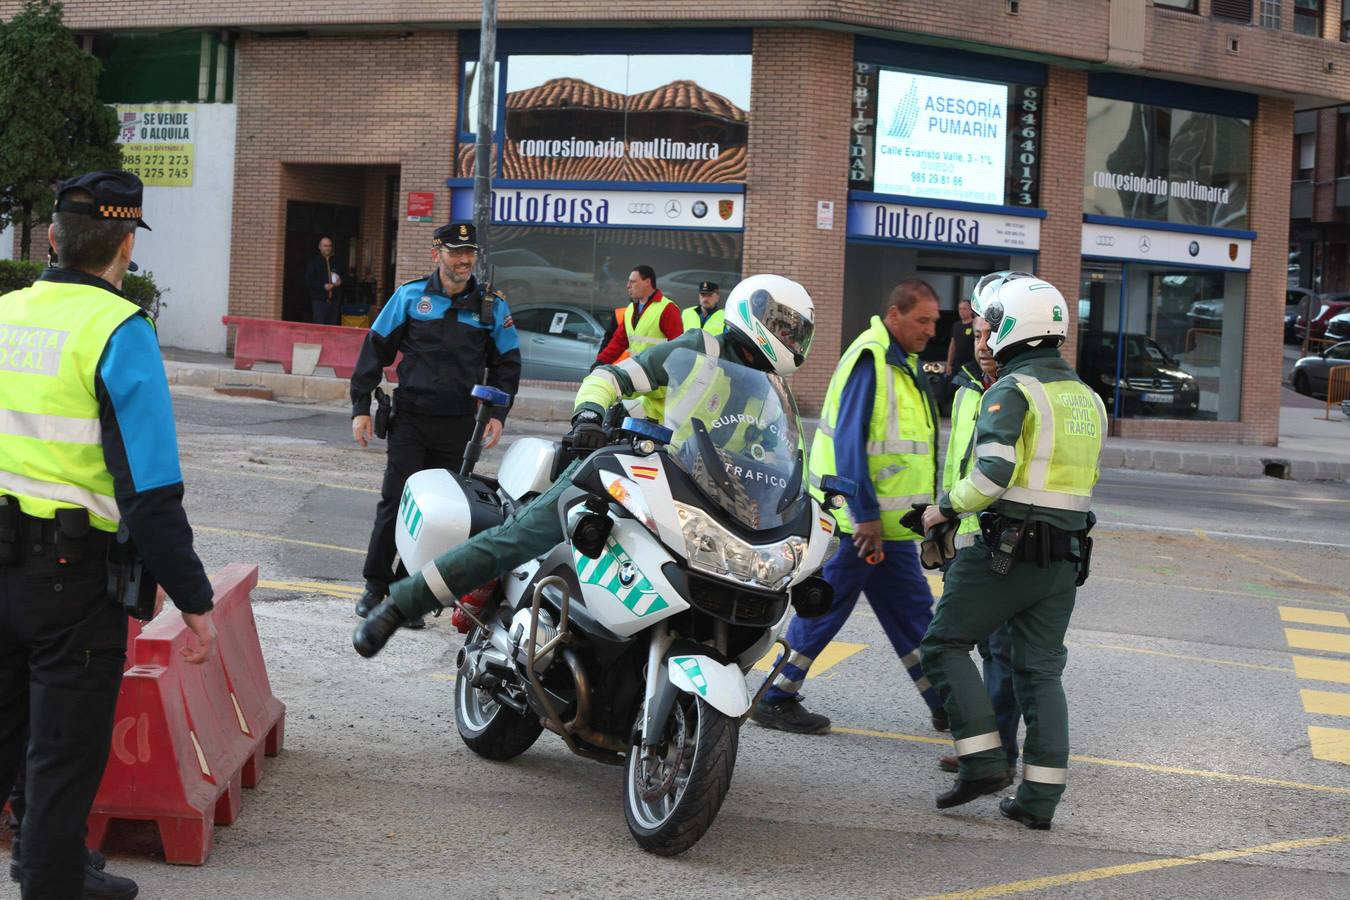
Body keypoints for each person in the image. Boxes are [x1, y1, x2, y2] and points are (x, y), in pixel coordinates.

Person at [352, 274, 816, 657]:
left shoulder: (771, 390)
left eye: (798, 331)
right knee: (517, 538)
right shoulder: (695, 349)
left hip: (700, 500)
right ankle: (397, 604)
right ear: (752, 311)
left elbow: (776, 456)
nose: (792, 338)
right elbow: (610, 376)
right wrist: (590, 415)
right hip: (639, 470)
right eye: (785, 326)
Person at [0, 170, 217, 899]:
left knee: (11, 740)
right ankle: (51, 881)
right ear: (126, 248)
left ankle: (45, 867)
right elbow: (150, 490)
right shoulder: (121, 331)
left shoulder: (4, 314)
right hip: (71, 580)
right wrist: (193, 599)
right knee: (62, 757)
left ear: (53, 238)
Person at [918, 272, 1106, 830]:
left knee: (944, 644)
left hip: (1005, 548)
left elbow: (991, 474)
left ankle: (982, 761)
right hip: (1065, 557)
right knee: (1040, 674)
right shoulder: (1087, 398)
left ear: (1013, 328)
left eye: (991, 324)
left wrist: (944, 507)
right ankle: (1038, 802)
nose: (985, 333)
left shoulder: (1012, 390)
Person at [751, 279, 945, 735]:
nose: (931, 330)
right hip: (861, 524)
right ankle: (774, 694)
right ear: (894, 315)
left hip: (888, 527)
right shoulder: (871, 360)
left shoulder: (903, 363)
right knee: (830, 607)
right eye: (923, 320)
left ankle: (944, 701)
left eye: (934, 321)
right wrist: (867, 516)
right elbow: (852, 443)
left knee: (912, 615)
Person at [349, 222, 521, 625]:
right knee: (397, 501)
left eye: (469, 253)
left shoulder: (491, 308)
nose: (463, 260)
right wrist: (360, 406)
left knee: (441, 514)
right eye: (455, 252)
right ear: (436, 253)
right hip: (410, 419)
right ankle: (375, 585)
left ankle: (408, 594)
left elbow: (507, 365)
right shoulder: (410, 297)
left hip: (460, 425)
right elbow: (374, 349)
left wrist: (497, 414)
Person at [933, 311, 1020, 779]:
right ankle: (983, 748)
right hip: (962, 536)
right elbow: (958, 464)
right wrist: (943, 522)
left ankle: (998, 755)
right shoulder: (967, 387)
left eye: (990, 335)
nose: (982, 345)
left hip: (1003, 543)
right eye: (977, 335)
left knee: (1002, 653)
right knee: (967, 647)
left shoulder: (1022, 391)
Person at [592, 265, 683, 367]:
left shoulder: (667, 308)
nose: (628, 285)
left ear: (647, 282)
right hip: (636, 372)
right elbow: (618, 342)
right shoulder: (631, 309)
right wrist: (600, 362)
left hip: (657, 377)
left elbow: (678, 348)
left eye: (633, 281)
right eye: (628, 281)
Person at [305, 235, 344, 325]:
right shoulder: (314, 262)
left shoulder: (336, 261)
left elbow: (343, 276)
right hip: (319, 302)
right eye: (325, 246)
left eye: (329, 246)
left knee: (332, 327)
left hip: (334, 302)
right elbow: (308, 281)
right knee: (319, 326)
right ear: (320, 247)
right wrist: (323, 286)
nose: (328, 248)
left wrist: (340, 282)